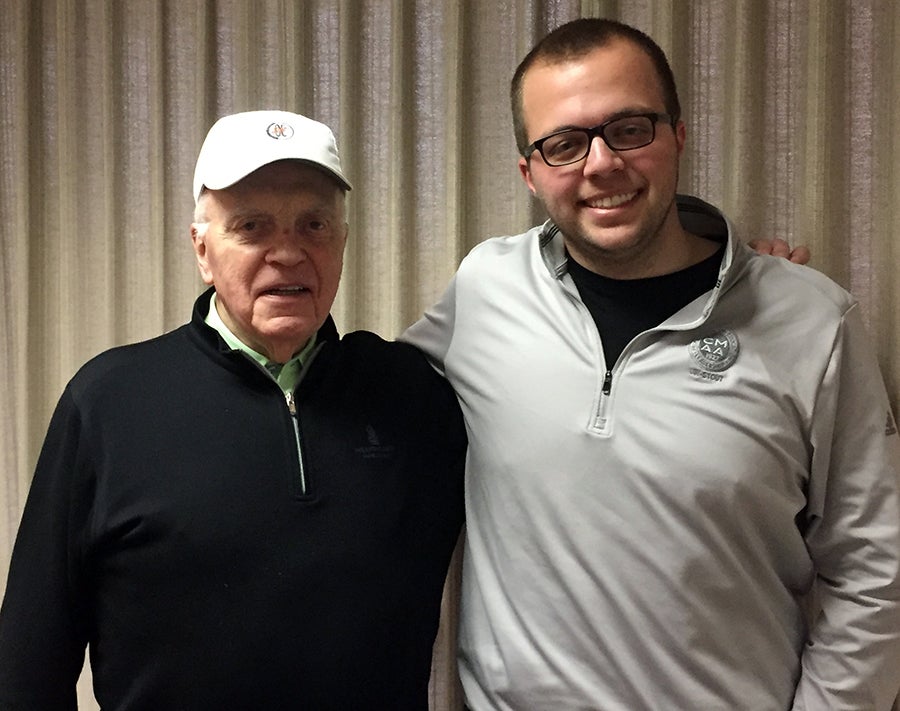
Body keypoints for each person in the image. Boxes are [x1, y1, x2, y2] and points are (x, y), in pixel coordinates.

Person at [402, 18, 900, 710]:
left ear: (677, 136)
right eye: (565, 144)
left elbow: (876, 572)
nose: (602, 163)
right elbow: (367, 409)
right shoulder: (486, 288)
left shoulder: (811, 321)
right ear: (530, 172)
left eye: (630, 128)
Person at [0, 110, 466, 709]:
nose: (288, 253)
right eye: (252, 227)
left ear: (342, 242)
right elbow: (27, 662)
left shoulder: (412, 397)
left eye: (314, 225)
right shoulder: (110, 401)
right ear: (202, 249)